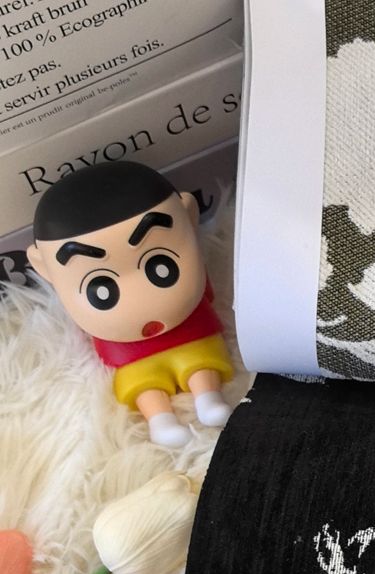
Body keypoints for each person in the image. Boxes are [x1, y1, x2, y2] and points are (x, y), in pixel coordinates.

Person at [27, 160, 234, 448]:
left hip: (193, 334)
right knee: (144, 384)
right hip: (134, 358)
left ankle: (209, 398)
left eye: (161, 267)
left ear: (189, 217)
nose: (140, 301)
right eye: (102, 289)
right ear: (44, 268)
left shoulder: (193, 292)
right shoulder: (104, 330)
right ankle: (160, 420)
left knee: (202, 362)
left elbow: (207, 294)